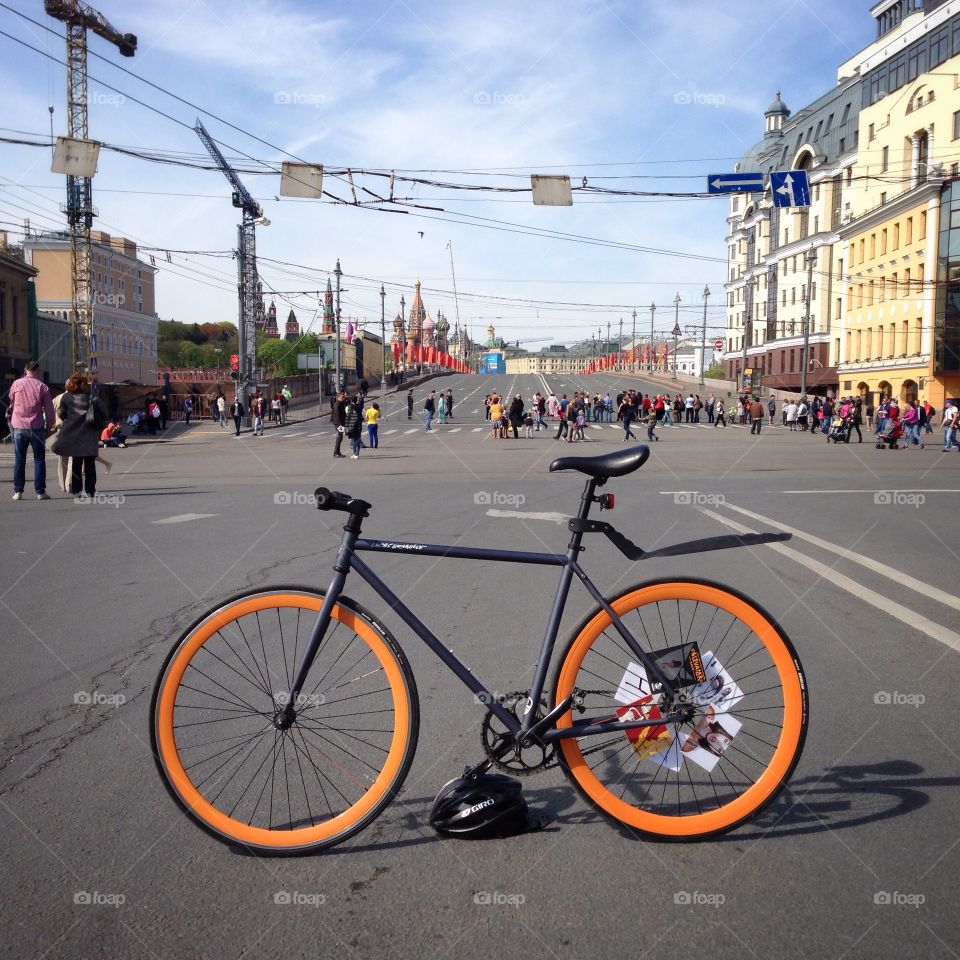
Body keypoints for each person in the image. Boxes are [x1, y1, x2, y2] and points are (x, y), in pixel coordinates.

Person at [6, 360, 55, 501]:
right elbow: (49, 410)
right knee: (39, 459)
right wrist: (49, 427)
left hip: (19, 427)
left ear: (25, 370)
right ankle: (40, 492)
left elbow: (11, 398)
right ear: (37, 372)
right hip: (36, 427)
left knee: (19, 459)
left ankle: (18, 492)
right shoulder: (42, 387)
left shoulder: (16, 384)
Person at [54, 372, 108, 500]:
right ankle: (90, 491)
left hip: (74, 435)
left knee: (76, 465)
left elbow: (61, 413)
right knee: (90, 465)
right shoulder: (91, 397)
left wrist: (70, 419)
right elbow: (105, 411)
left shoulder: (67, 397)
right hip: (90, 435)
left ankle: (77, 491)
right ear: (84, 383)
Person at [331, 388, 347, 456]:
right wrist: (340, 424)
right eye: (342, 397)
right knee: (339, 437)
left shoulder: (341, 403)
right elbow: (337, 415)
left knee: (340, 437)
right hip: (338, 423)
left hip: (340, 422)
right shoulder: (337, 405)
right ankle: (336, 452)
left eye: (344, 397)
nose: (343, 398)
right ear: (338, 397)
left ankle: (338, 452)